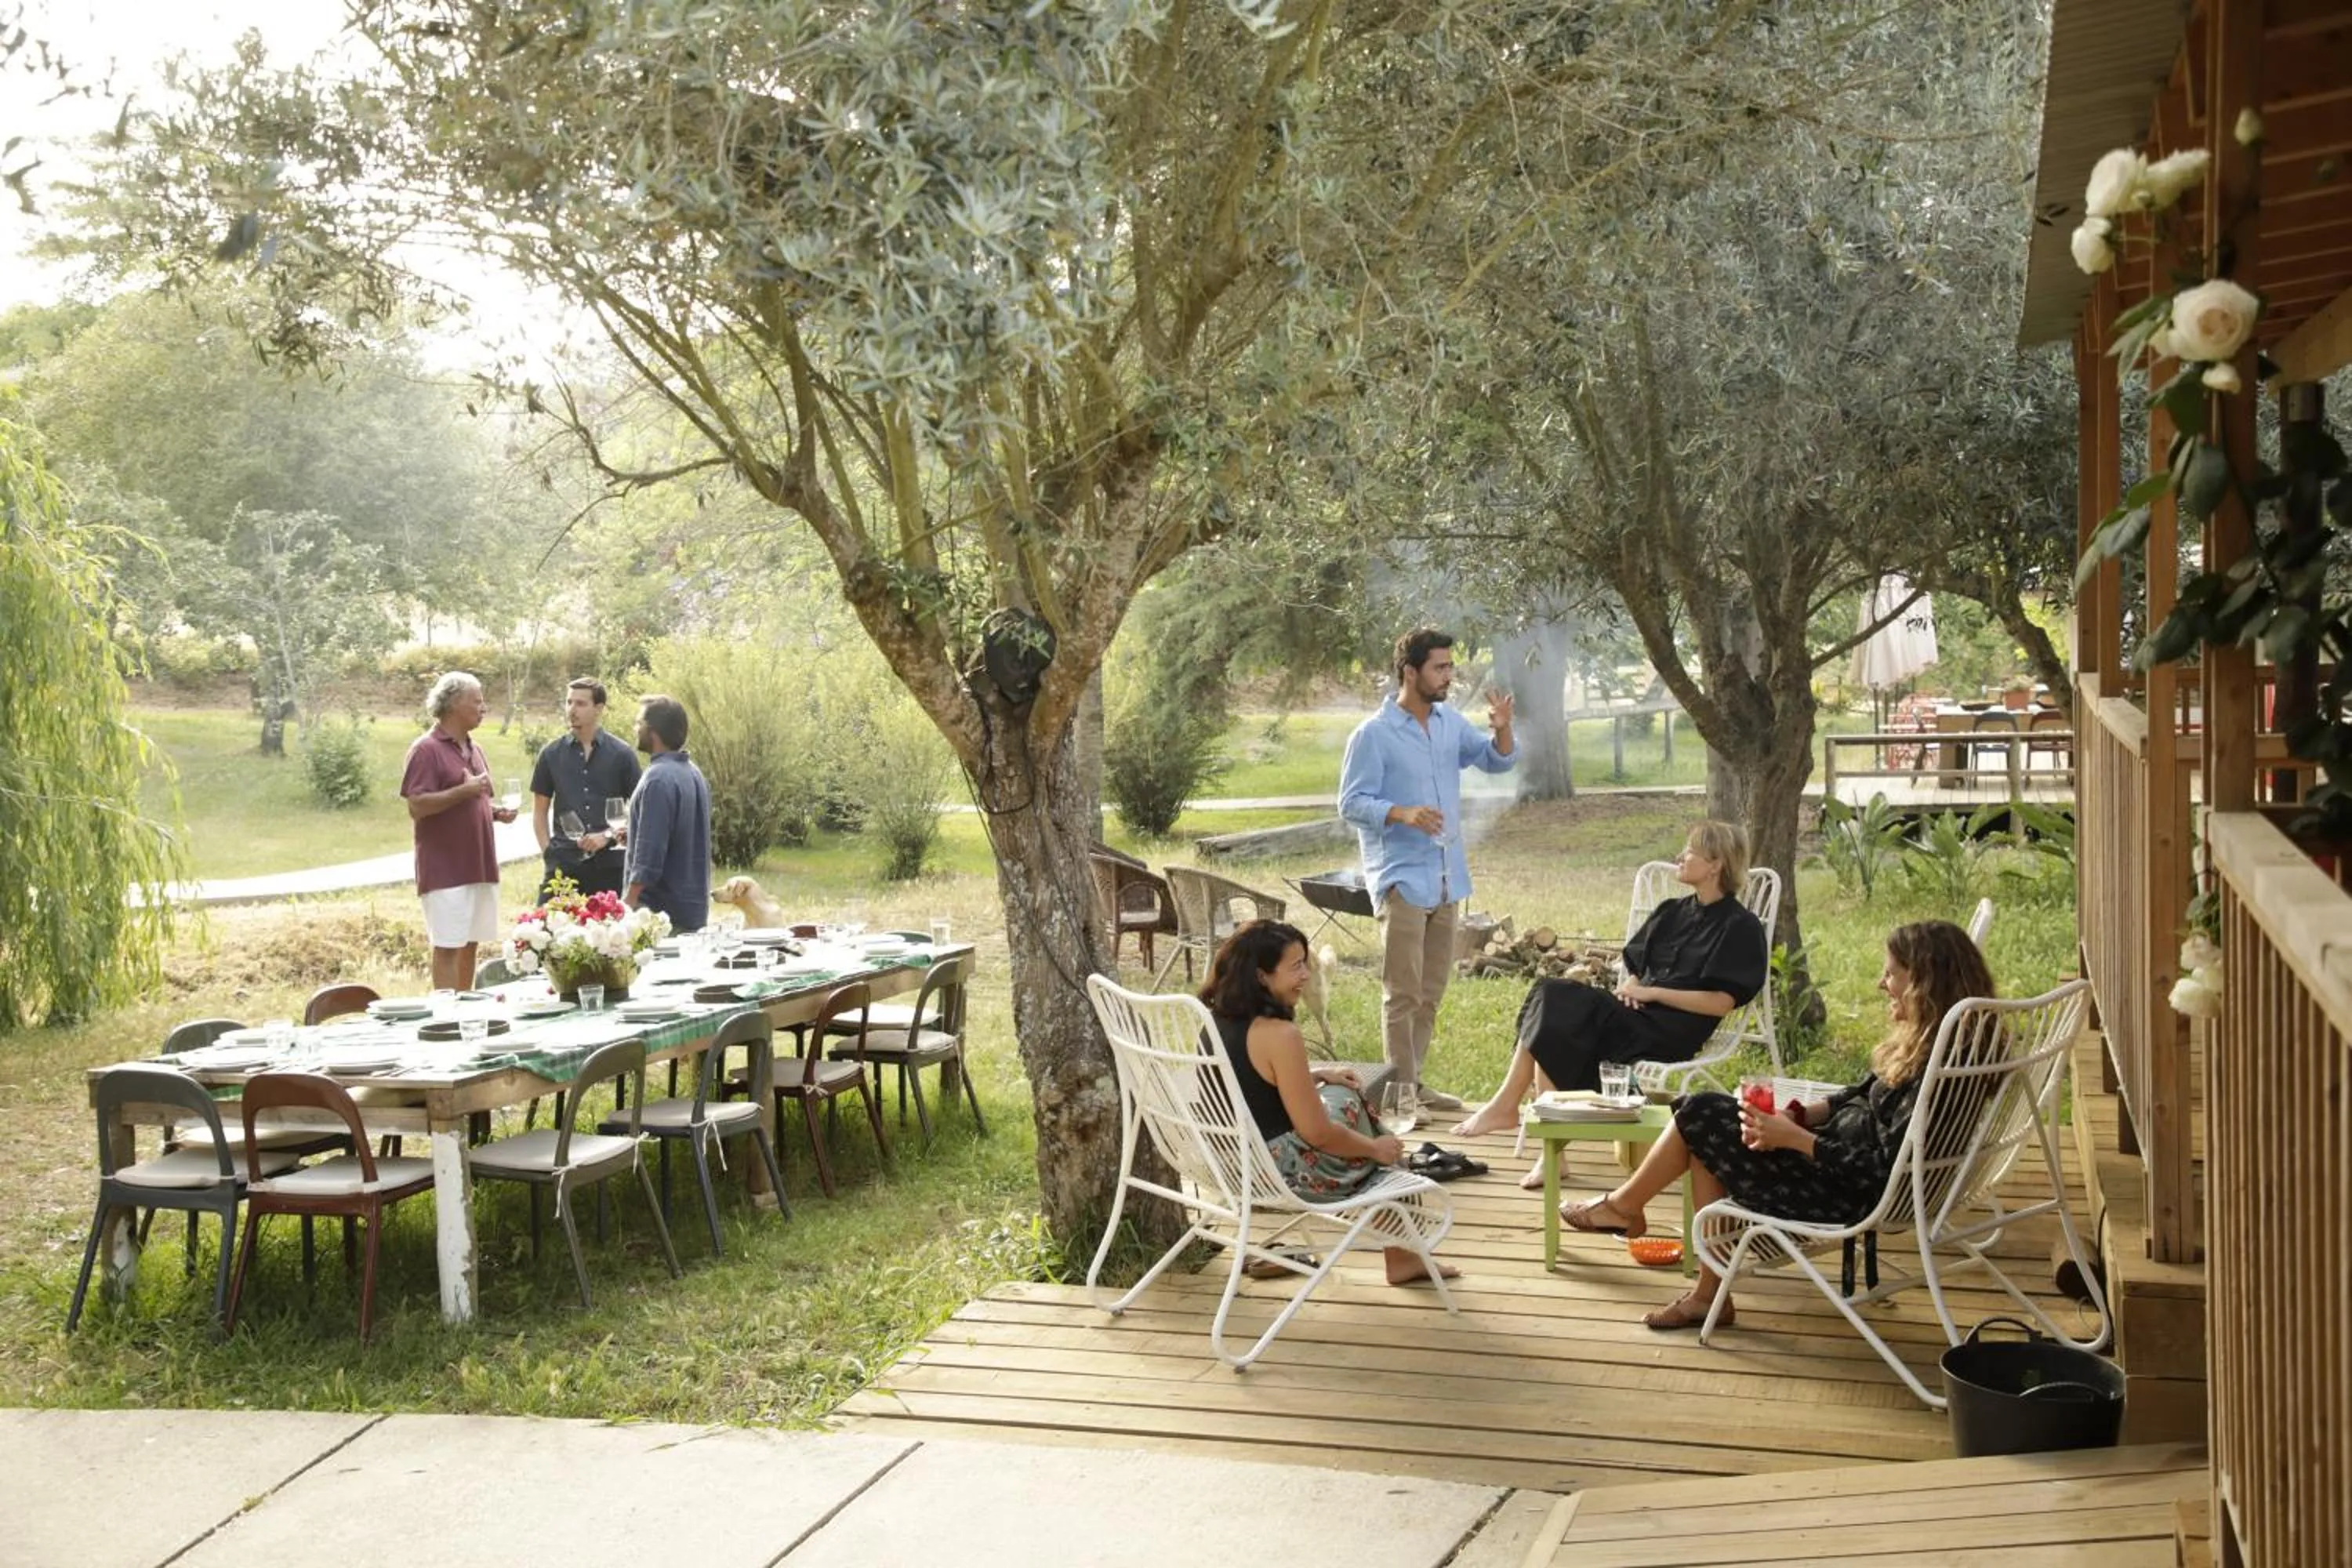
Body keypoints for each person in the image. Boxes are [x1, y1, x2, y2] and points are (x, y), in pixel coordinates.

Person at [1558, 920, 1996, 1330]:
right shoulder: (1945, 1047)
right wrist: (1798, 1116)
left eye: (1891, 974)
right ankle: (1683, 1269)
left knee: (1700, 1115)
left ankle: (1636, 1220)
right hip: (1833, 1166)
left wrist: (1798, 1140)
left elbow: (1879, 1169)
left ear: (1923, 982)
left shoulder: (1938, 1071)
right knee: (1708, 1123)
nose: (1882, 984)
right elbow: (1857, 1094)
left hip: (1845, 1194)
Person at [1453, 820, 1769, 1148]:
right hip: (1633, 1013)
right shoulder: (1672, 911)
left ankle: (1514, 1114)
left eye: (1690, 852)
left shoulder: (1739, 926)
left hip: (1670, 1030)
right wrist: (1632, 987)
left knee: (1556, 1002)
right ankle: (1534, 1134)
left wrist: (1652, 992)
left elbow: (1720, 1003)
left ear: (1715, 865)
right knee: (1552, 1006)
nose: (1680, 857)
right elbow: (1636, 963)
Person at [1202, 920, 1457, 1287]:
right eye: (1296, 967)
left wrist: (1317, 1074)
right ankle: (1402, 1238)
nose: (1306, 975)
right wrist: (1373, 1147)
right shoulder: (1280, 1035)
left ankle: (1401, 1239)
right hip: (1282, 1171)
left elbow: (1251, 1084)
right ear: (1261, 976)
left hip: (1225, 1161)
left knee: (1342, 1089)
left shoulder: (1214, 1021)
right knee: (1357, 1108)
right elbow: (1318, 1134)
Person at [1337, 627, 1515, 1112]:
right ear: (1410, 672)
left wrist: (1502, 728)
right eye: (1440, 667)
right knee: (1403, 994)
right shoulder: (1373, 735)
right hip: (1401, 880)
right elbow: (1350, 802)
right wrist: (1402, 813)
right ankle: (1397, 1097)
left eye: (1450, 667)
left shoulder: (1449, 723)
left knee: (1431, 993)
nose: (1448, 676)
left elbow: (1496, 761)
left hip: (1446, 878)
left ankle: (1412, 1086)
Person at [401, 671, 518, 989]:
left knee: (470, 944)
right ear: (453, 704)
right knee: (448, 946)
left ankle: (466, 1010)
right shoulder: (426, 749)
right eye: (477, 701)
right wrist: (462, 792)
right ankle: (447, 1014)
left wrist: (496, 813)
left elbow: (474, 802)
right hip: (446, 870)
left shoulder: (475, 749)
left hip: (479, 866)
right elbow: (417, 806)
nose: (484, 708)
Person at [528, 676, 642, 900]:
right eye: (569, 702)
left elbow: (641, 811)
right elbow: (539, 811)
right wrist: (549, 854)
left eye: (580, 704)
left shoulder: (622, 755)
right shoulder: (551, 754)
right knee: (547, 922)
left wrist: (608, 835)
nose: (572, 710)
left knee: (611, 923)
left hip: (611, 866)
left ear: (598, 709)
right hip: (563, 865)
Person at [622, 693, 712, 934]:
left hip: (658, 917)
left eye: (639, 723)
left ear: (653, 731)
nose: (635, 729)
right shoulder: (693, 773)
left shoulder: (658, 779)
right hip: (692, 910)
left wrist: (628, 902)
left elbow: (649, 854)